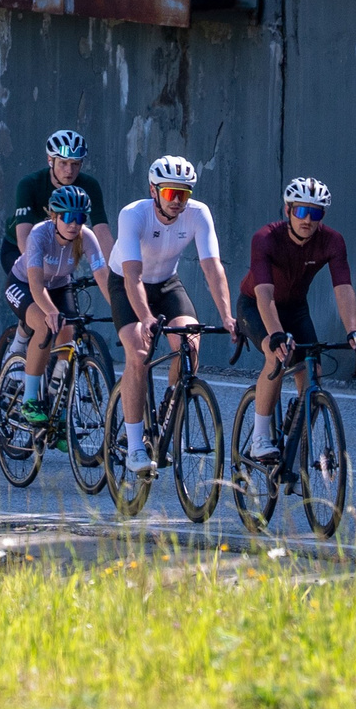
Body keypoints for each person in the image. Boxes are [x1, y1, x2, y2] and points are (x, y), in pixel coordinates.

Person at [112, 154, 235, 477]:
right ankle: (136, 446)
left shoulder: (198, 214)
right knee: (138, 352)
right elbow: (132, 276)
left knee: (190, 343)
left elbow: (212, 267)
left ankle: (168, 408)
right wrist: (146, 318)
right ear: (153, 191)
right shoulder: (133, 215)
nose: (178, 201)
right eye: (170, 193)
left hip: (166, 283)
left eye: (184, 193)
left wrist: (227, 316)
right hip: (128, 283)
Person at [238, 177, 356, 460]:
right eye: (300, 211)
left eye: (316, 213)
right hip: (255, 306)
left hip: (295, 309)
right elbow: (264, 294)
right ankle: (260, 438)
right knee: (276, 357)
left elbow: (343, 288)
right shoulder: (266, 238)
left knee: (313, 377)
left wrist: (354, 331)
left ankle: (295, 455)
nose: (307, 219)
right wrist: (275, 335)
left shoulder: (332, 241)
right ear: (287, 211)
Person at [12, 183, 115, 427]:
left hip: (59, 283)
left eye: (80, 218)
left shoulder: (86, 237)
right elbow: (36, 285)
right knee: (45, 326)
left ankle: (57, 398)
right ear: (54, 216)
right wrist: (50, 311)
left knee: (69, 332)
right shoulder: (39, 234)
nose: (74, 224)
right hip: (23, 283)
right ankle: (29, 401)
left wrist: (119, 307)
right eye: (68, 217)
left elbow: (102, 275)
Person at [0, 130, 112, 310]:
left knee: (68, 316)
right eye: (63, 163)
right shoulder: (30, 184)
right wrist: (41, 278)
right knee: (36, 308)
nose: (69, 170)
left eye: (75, 164)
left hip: (62, 251)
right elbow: (23, 237)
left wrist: (116, 273)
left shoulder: (89, 186)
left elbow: (102, 232)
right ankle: (24, 333)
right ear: (50, 160)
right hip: (20, 249)